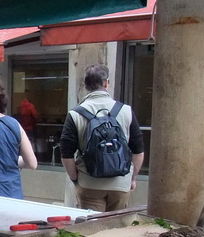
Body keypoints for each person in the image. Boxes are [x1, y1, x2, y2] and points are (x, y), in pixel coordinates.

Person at [59, 63, 145, 212]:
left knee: (93, 229)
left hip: (89, 183)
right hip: (120, 184)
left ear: (85, 85)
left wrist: (75, 179)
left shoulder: (75, 114)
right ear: (106, 83)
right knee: (116, 228)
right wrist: (132, 178)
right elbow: (138, 150)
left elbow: (66, 155)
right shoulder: (126, 111)